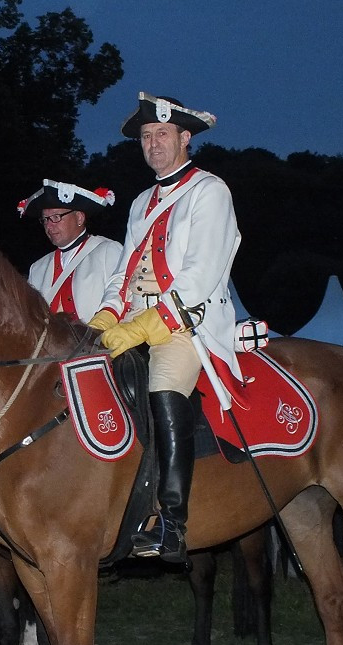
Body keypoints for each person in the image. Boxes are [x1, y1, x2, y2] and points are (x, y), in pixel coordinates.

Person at [87, 93, 242, 564]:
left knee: (163, 389)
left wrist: (148, 325)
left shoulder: (209, 191)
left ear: (185, 138)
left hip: (185, 324)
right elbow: (124, 271)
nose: (153, 144)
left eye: (162, 135)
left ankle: (172, 523)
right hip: (137, 317)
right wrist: (107, 316)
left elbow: (199, 275)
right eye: (147, 137)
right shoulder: (139, 203)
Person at [17, 180, 122, 322]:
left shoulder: (108, 251)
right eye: (45, 220)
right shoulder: (37, 268)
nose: (49, 226)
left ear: (79, 217)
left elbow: (122, 297)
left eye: (56, 217)